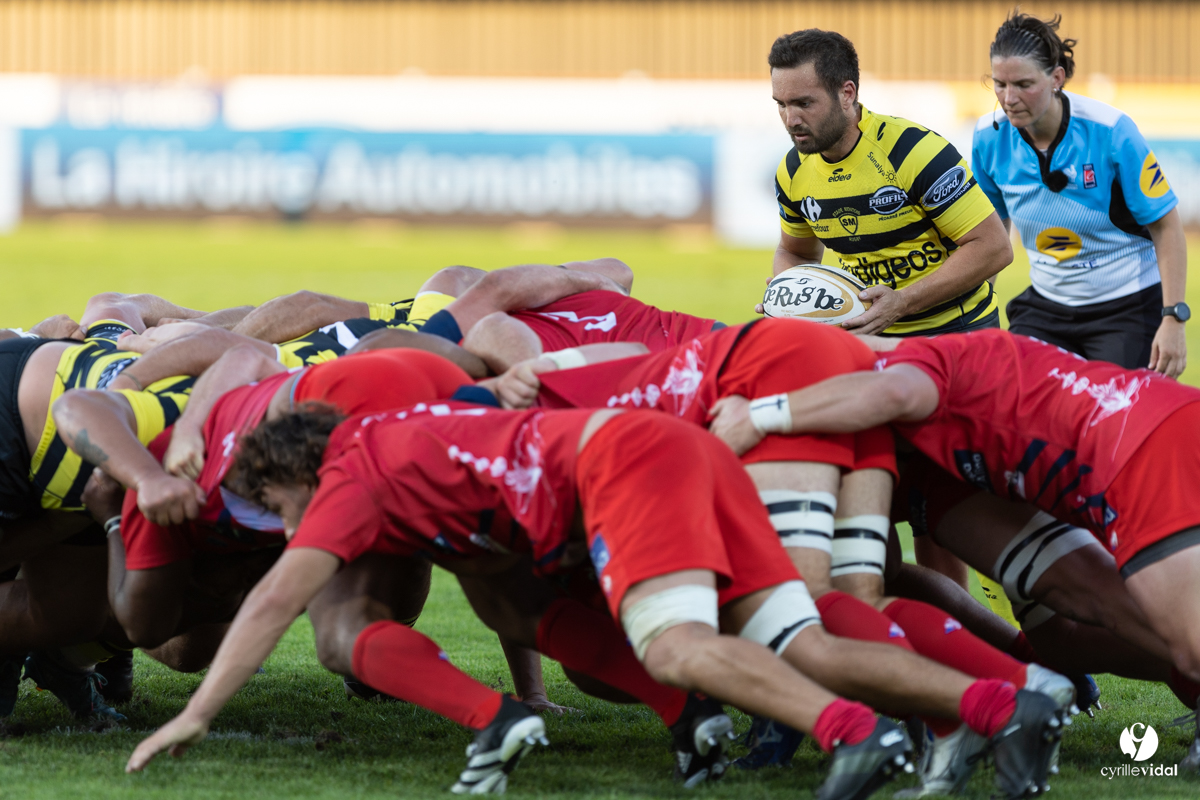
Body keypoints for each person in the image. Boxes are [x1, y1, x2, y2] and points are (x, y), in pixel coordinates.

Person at [127, 404, 1068, 799]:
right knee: (799, 639)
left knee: (672, 646)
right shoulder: (394, 437)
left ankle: (858, 735)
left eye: (282, 508)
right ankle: (1000, 705)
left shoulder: (349, 476)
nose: (291, 529)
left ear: (299, 472)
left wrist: (197, 716)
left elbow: (273, 605)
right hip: (676, 446)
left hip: (626, 465)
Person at [706, 327, 1200, 769]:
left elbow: (895, 390)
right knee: (1065, 633)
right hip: (1107, 450)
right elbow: (890, 572)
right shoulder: (909, 388)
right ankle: (1016, 677)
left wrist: (761, 413)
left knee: (1186, 641)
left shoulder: (907, 368)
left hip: (1133, 451)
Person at [769, 28, 1015, 589]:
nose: (790, 118)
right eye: (781, 105)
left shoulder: (912, 151)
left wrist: (902, 300)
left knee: (976, 503)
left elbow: (993, 247)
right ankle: (952, 641)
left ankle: (1034, 642)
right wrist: (787, 295)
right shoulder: (793, 172)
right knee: (908, 504)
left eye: (804, 102)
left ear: (847, 94)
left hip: (961, 343)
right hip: (874, 352)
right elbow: (794, 250)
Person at [973, 12, 1188, 378]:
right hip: (1046, 308)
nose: (1008, 99)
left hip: (1127, 308)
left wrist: (1173, 319)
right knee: (1022, 413)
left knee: (1113, 422)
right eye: (999, 84)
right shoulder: (988, 138)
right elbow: (989, 236)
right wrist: (975, 315)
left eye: (1024, 84)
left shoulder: (1111, 132)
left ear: (1057, 78)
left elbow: (1167, 229)